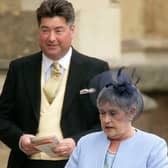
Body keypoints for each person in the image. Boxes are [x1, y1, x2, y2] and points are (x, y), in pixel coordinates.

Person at [0, 0, 109, 168]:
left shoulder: (96, 69)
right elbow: (2, 118)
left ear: (72, 30)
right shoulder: (19, 68)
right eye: (45, 30)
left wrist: (77, 142)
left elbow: (108, 121)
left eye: (58, 30)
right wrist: (20, 140)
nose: (51, 38)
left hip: (77, 162)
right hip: (26, 164)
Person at [65, 68, 168, 168]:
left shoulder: (153, 146)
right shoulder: (85, 143)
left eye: (113, 113)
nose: (106, 120)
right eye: (102, 113)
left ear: (131, 112)